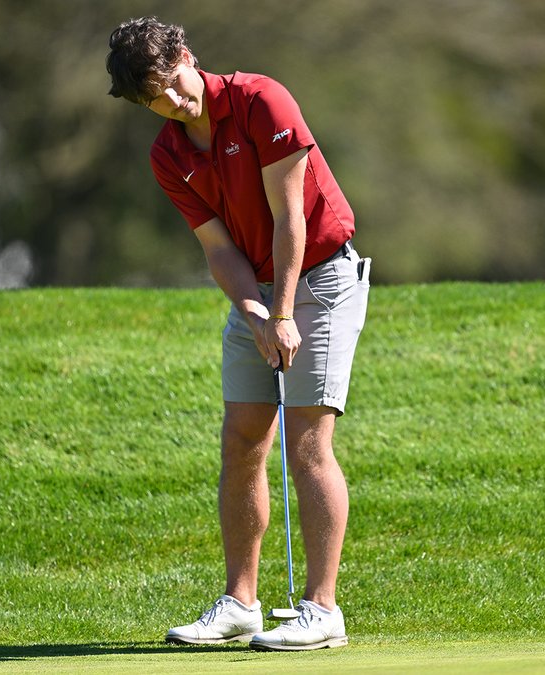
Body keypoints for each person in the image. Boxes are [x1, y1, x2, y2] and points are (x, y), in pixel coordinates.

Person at [105, 17, 369, 651]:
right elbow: (218, 249)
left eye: (174, 82)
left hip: (320, 279)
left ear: (187, 56)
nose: (174, 101)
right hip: (257, 291)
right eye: (155, 99)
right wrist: (254, 313)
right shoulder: (168, 155)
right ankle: (241, 604)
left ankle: (322, 610)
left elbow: (289, 217)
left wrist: (282, 313)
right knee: (243, 440)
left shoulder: (261, 101)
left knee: (307, 443)